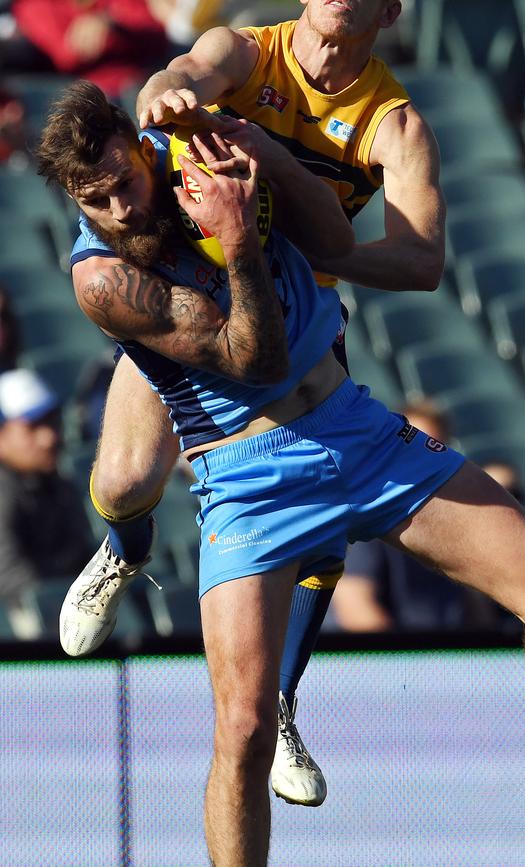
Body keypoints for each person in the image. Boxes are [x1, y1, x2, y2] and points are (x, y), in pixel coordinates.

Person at [37, 82, 525, 867]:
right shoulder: (101, 279)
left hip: (352, 429)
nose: (118, 208)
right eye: (95, 200)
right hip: (246, 474)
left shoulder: (199, 143)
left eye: (124, 181)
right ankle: (126, 544)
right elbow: (256, 360)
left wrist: (261, 158)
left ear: (139, 144)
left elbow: (332, 243)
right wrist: (242, 242)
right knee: (243, 728)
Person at [56, 0, 445, 810]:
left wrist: (325, 250)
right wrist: (167, 92)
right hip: (190, 296)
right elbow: (183, 75)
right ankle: (124, 548)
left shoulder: (390, 123)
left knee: (322, 519)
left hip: (293, 314)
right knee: (126, 479)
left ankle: (281, 705)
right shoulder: (246, 50)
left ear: (389, 10)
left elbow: (420, 261)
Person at [334, 399, 501, 632]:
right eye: (413, 447)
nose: (424, 460)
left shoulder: (458, 527)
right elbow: (355, 606)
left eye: (435, 448)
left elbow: (475, 609)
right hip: (402, 662)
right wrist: (410, 664)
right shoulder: (370, 520)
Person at [0, 368, 94, 638]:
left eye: (51, 422)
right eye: (32, 427)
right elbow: (7, 575)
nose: (49, 437)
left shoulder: (58, 484)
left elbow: (79, 555)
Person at [10, 0, 171, 98]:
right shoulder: (33, 5)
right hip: (99, 94)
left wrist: (111, 22)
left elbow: (154, 28)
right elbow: (69, 53)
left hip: (150, 75)